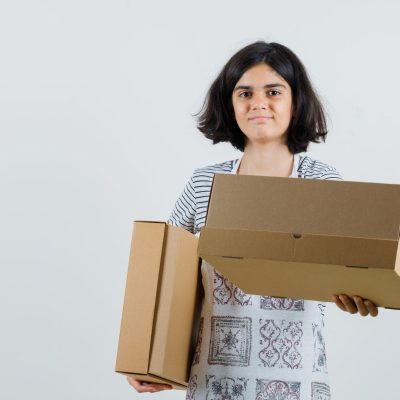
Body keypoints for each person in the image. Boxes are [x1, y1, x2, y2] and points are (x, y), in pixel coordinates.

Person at [127, 41, 379, 398]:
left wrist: (362, 291)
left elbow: (353, 266)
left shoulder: (322, 184)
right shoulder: (205, 185)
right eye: (245, 92)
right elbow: (165, 281)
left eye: (273, 91)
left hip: (299, 382)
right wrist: (146, 357)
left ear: (296, 101)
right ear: (230, 105)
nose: (258, 102)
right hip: (215, 381)